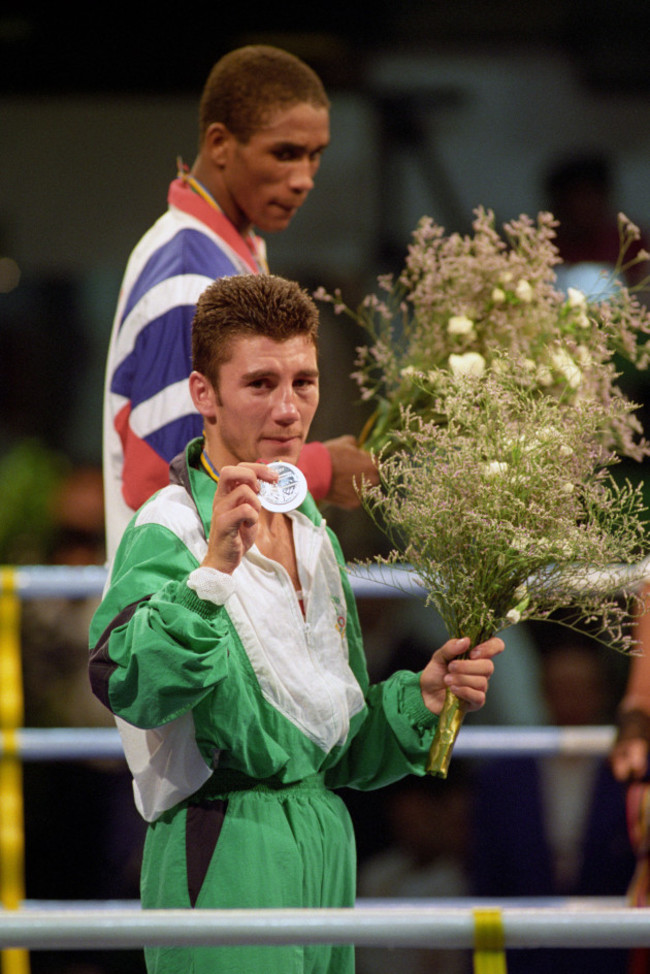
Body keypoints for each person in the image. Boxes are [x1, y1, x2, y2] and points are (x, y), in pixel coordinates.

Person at [89, 273, 504, 974]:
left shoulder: (315, 534)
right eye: (260, 384)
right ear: (203, 394)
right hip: (222, 848)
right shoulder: (169, 529)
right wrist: (213, 574)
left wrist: (420, 700)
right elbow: (127, 683)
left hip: (325, 841)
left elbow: (330, 751)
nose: (288, 410)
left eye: (304, 382)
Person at [103, 43, 377, 563]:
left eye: (315, 155)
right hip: (183, 615)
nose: (304, 178)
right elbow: (159, 484)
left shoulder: (224, 251)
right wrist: (317, 470)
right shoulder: (188, 273)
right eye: (285, 152)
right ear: (220, 143)